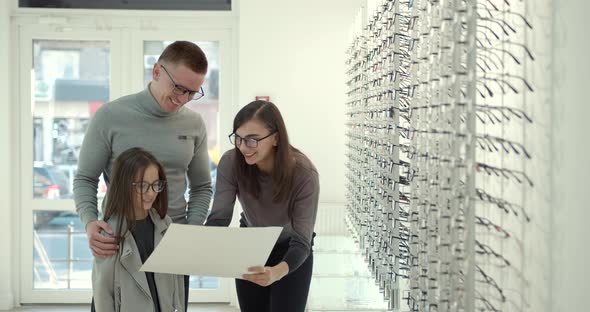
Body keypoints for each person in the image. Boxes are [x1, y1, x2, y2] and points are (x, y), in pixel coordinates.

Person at [74, 41, 212, 311]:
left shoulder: (194, 124)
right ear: (157, 71)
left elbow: (203, 187)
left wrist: (190, 231)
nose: (183, 99)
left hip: (173, 243)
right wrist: (90, 222)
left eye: (192, 93)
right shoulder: (110, 117)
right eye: (179, 88)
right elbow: (85, 179)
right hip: (121, 240)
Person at [205, 100, 320, 312]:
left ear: (276, 138)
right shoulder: (231, 162)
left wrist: (276, 272)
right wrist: (198, 244)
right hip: (250, 245)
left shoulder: (304, 174)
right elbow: (219, 218)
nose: (242, 147)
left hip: (291, 250)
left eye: (252, 140)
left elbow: (302, 240)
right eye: (238, 138)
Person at [92, 147, 184, 312]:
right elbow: (103, 293)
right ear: (124, 186)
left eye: (156, 185)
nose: (151, 193)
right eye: (142, 186)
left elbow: (176, 280)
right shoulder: (109, 232)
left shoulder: (165, 224)